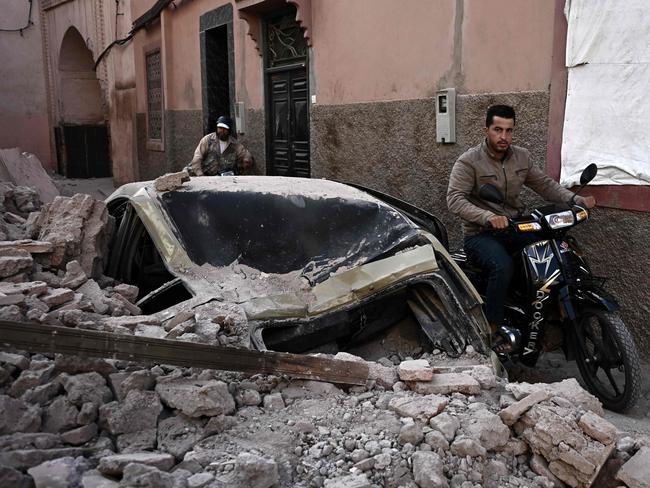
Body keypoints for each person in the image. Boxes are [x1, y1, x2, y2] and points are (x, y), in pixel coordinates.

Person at [447, 104, 596, 352]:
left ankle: (547, 316)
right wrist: (486, 216)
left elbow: (544, 184)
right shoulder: (469, 162)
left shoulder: (521, 157)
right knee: (502, 266)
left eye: (509, 130)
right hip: (481, 234)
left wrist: (574, 200)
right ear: (486, 130)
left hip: (516, 228)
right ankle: (492, 329)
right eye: (497, 130)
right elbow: (455, 200)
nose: (503, 136)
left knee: (552, 251)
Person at [187, 115, 253, 176]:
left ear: (229, 130)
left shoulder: (234, 144)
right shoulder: (208, 140)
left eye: (225, 129)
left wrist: (244, 168)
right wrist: (201, 176)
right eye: (220, 128)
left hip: (219, 177)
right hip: (199, 173)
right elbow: (197, 158)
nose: (222, 131)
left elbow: (246, 156)